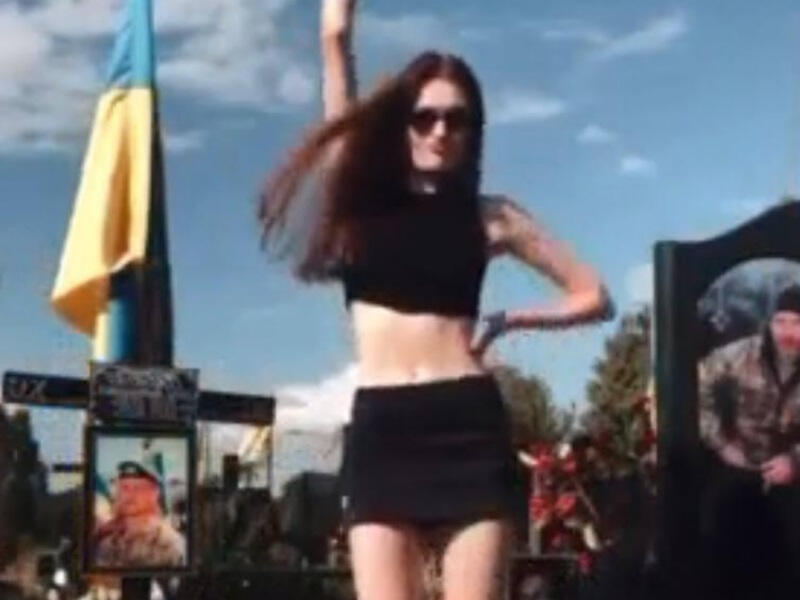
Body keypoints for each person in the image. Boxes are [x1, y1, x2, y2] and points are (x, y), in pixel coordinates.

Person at [258, 1, 613, 598]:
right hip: (383, 429)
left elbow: (594, 295)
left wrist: (508, 320)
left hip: (467, 428)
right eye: (424, 117)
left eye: (456, 119)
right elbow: (335, 37)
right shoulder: (360, 201)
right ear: (400, 123)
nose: (440, 131)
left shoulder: (492, 217)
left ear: (473, 130)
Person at [698, 284, 800, 599]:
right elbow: (693, 386)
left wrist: (795, 461)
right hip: (738, 471)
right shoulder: (742, 354)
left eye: (797, 323)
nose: (788, 332)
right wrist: (720, 442)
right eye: (780, 322)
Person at [92, 460, 185, 568]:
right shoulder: (104, 538)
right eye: (124, 488)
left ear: (153, 494)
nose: (130, 495)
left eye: (138, 488)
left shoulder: (167, 542)